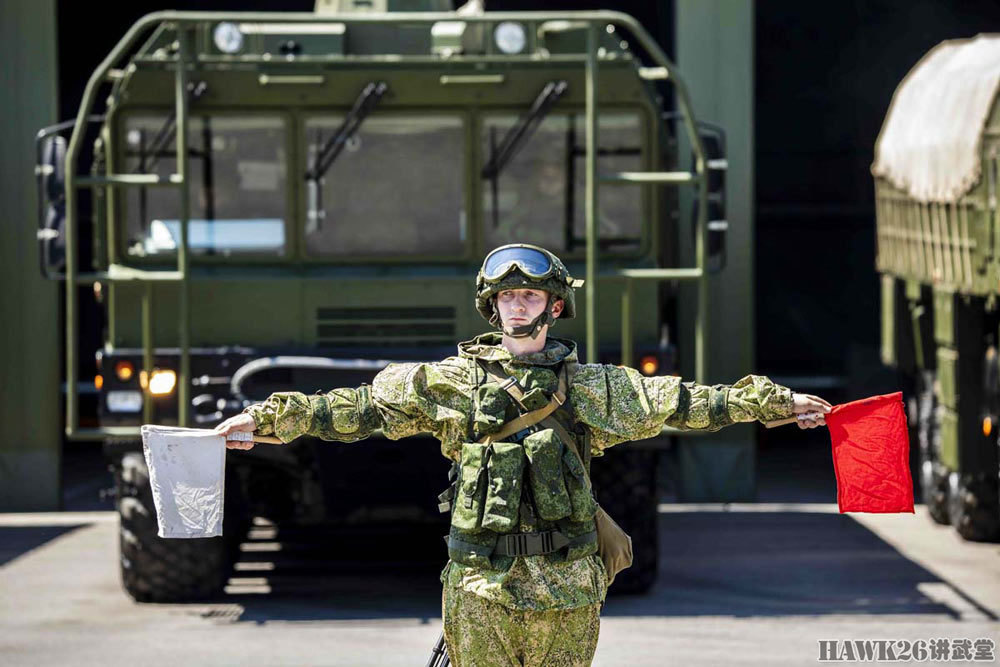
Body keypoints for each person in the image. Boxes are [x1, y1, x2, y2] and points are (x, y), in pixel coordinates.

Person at [215, 243, 832, 667]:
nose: (518, 306)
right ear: (491, 305)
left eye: (531, 296)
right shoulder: (450, 383)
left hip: (567, 591)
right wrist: (265, 421)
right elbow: (354, 409)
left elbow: (686, 402)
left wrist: (777, 405)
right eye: (507, 297)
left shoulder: (591, 387)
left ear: (554, 306)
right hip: (480, 589)